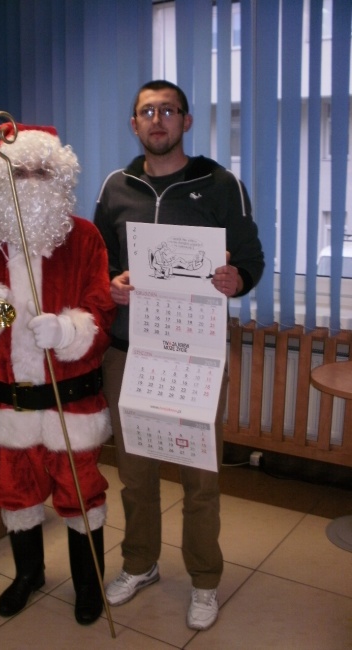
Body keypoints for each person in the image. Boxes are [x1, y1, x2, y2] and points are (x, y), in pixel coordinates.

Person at [94, 80, 264, 631]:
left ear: (186, 121)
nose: (158, 119)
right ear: (134, 123)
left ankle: (205, 580)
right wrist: (110, 284)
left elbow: (252, 257)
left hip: (197, 355)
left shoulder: (219, 184)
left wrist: (238, 278)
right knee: (134, 473)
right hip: (129, 351)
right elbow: (98, 260)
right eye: (147, 111)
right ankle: (139, 563)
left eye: (168, 110)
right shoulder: (116, 187)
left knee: (200, 479)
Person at [0, 123, 116, 625]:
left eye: (43, 171)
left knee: (81, 493)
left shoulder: (84, 238)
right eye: (21, 172)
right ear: (2, 179)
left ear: (60, 178)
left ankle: (89, 585)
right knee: (15, 491)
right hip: (7, 402)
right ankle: (28, 574)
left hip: (71, 401)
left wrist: (67, 331)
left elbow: (101, 309)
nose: (32, 182)